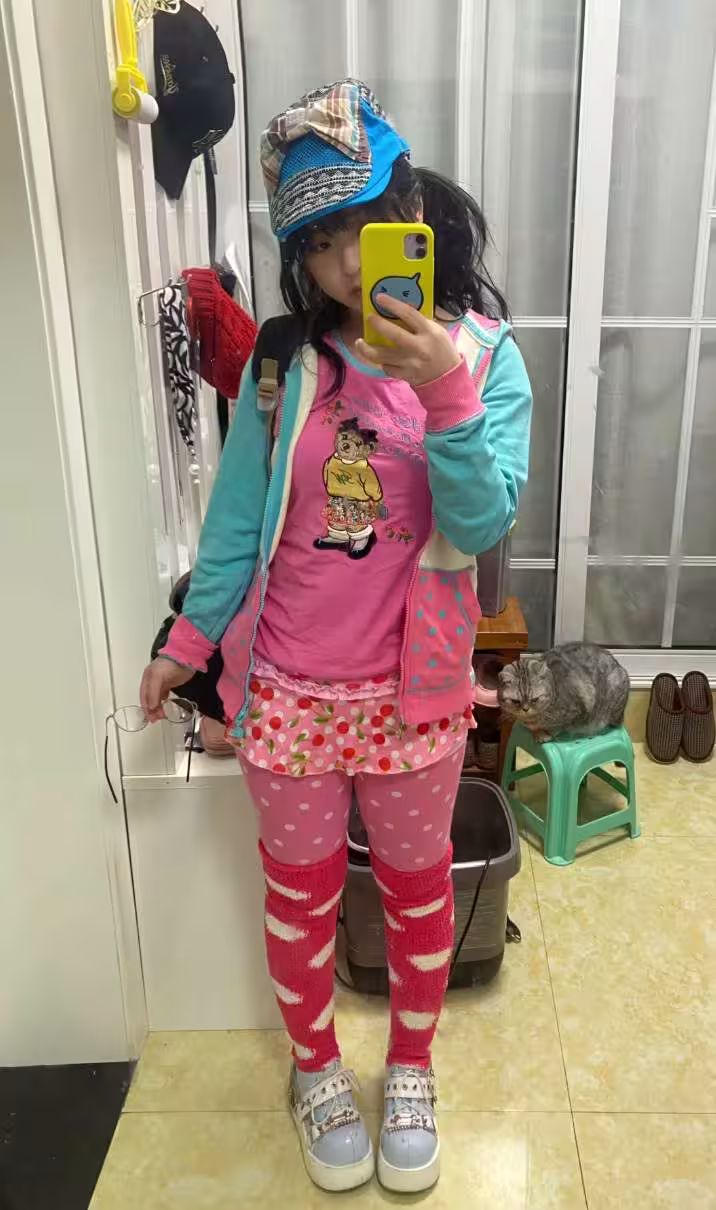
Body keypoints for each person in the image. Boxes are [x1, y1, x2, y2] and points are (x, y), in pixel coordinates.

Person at [140, 79, 532, 1195]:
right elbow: (234, 526)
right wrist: (186, 644)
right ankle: (315, 1069)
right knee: (301, 897)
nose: (348, 264)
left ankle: (409, 1068)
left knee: (415, 892)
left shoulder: (485, 359)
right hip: (288, 693)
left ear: (411, 210)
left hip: (416, 696)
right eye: (318, 243)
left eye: (365, 227)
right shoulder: (286, 366)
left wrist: (443, 392)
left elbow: (481, 522)